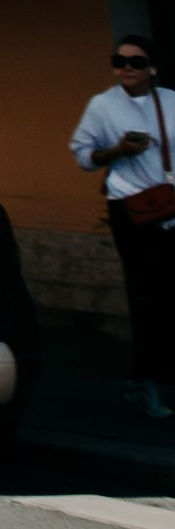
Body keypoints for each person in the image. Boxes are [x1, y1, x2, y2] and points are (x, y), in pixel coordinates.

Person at [71, 32, 175, 421]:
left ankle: (155, 376)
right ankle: (143, 383)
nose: (126, 69)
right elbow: (83, 156)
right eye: (120, 61)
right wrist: (118, 151)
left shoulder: (171, 102)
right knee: (149, 296)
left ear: (153, 68)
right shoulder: (102, 106)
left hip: (171, 206)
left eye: (135, 62)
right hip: (132, 212)